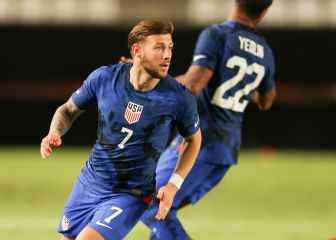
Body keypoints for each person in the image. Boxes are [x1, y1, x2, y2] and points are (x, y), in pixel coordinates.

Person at [40, 20, 202, 240]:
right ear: (137, 50)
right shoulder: (105, 78)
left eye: (170, 47)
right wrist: (54, 132)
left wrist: (173, 185)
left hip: (131, 192)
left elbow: (194, 140)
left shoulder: (178, 98)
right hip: (90, 182)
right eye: (159, 47)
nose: (167, 55)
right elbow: (67, 110)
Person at [139, 0, 276, 239]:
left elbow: (192, 84)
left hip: (202, 142)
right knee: (161, 209)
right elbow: (266, 101)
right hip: (224, 147)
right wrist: (240, 84)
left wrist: (150, 77)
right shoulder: (265, 51)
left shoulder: (218, 35)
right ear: (264, 11)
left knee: (149, 202)